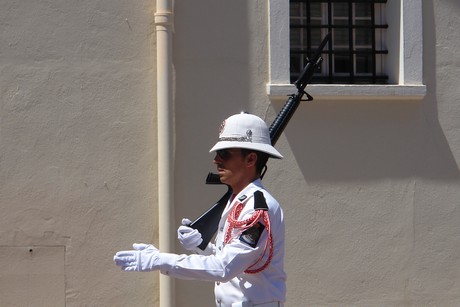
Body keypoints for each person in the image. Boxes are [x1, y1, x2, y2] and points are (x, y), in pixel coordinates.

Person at [114, 113, 286, 307]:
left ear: (251, 159)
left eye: (225, 154)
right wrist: (201, 246)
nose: (216, 160)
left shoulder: (258, 209)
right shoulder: (238, 201)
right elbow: (233, 260)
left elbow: (224, 268)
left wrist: (159, 260)